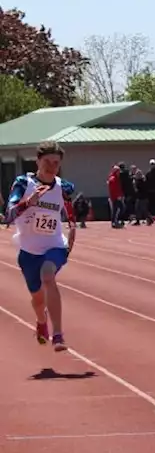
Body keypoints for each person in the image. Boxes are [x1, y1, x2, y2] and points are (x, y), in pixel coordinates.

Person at [6, 141, 76, 350]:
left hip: (55, 245)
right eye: (47, 161)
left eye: (56, 163)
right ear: (37, 160)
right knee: (37, 300)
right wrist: (28, 202)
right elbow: (9, 213)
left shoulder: (64, 187)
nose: (52, 167)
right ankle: (41, 322)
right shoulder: (23, 183)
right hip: (29, 251)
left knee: (48, 275)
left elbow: (69, 211)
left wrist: (72, 228)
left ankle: (58, 334)